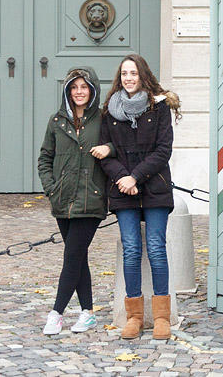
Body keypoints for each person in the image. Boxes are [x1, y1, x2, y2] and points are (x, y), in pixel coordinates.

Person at [93, 54, 181, 340]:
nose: (128, 78)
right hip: (123, 192)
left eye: (133, 73)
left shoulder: (159, 107)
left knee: (156, 248)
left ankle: (161, 317)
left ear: (143, 75)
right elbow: (105, 152)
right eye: (124, 73)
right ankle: (134, 316)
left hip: (154, 187)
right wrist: (122, 178)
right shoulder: (110, 110)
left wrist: (136, 177)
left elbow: (162, 150)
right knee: (131, 249)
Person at [37, 67, 108, 336]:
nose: (79, 92)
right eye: (74, 87)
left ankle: (56, 313)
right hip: (62, 200)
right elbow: (45, 158)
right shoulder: (56, 122)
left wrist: (109, 148)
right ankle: (87, 313)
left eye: (84, 87)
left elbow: (118, 148)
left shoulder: (103, 121)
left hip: (91, 201)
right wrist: (51, 188)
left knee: (72, 256)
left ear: (92, 91)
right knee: (78, 258)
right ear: (68, 91)